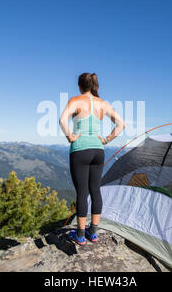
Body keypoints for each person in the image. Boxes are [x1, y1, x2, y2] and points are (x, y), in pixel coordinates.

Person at [59, 72, 125, 245]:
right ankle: (93, 232)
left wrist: (70, 136)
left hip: (80, 149)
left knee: (82, 192)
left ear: (80, 86)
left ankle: (80, 235)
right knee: (95, 190)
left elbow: (62, 120)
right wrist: (106, 139)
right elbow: (121, 124)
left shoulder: (75, 100)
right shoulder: (103, 104)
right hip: (98, 149)